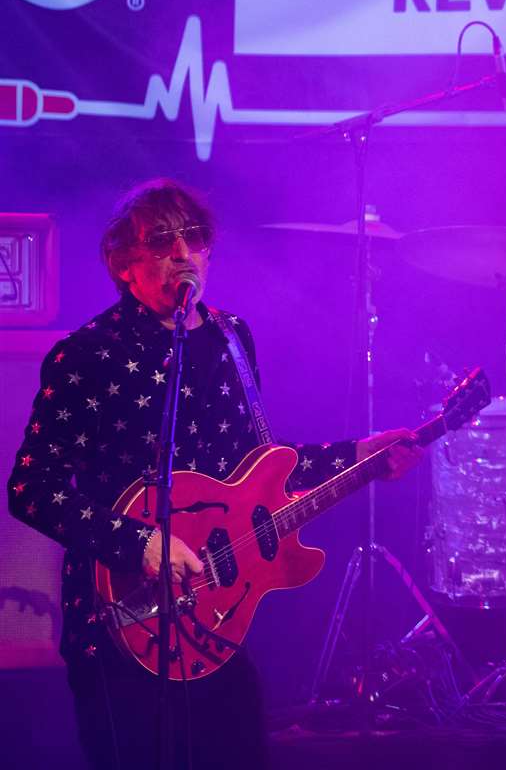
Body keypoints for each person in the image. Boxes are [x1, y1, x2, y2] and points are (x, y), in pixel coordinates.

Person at [6, 178, 420, 770]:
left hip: (214, 621)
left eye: (193, 237)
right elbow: (31, 488)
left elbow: (263, 467)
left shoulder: (232, 337)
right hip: (122, 617)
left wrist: (361, 453)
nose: (182, 252)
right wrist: (140, 542)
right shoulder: (86, 355)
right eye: (162, 240)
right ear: (125, 264)